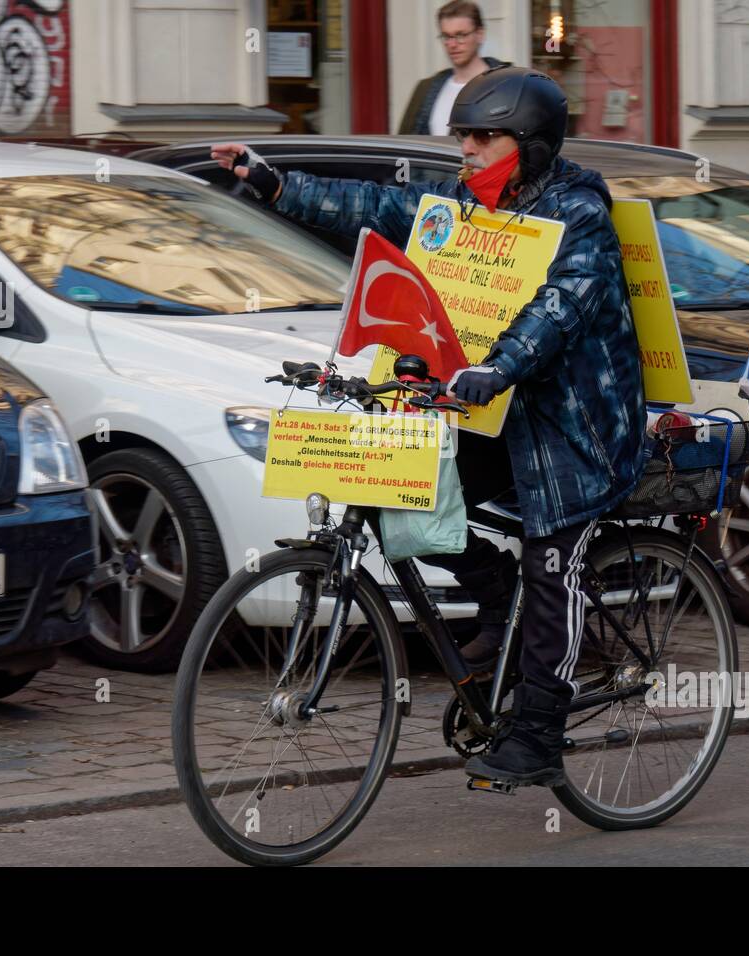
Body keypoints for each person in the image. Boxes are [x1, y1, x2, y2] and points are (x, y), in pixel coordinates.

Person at [210, 65, 646, 788]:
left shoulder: (578, 210)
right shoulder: (462, 202)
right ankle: (495, 591)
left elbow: (561, 305)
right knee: (399, 494)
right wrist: (276, 183)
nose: (468, 148)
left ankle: (539, 732)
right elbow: (379, 206)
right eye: (464, 135)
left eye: (484, 136)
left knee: (552, 566)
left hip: (573, 426)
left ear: (530, 143)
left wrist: (500, 365)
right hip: (491, 414)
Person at [398, 1, 506, 136]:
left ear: (480, 34)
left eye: (461, 35)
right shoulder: (425, 89)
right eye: (446, 36)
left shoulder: (505, 86)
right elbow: (406, 142)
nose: (452, 44)